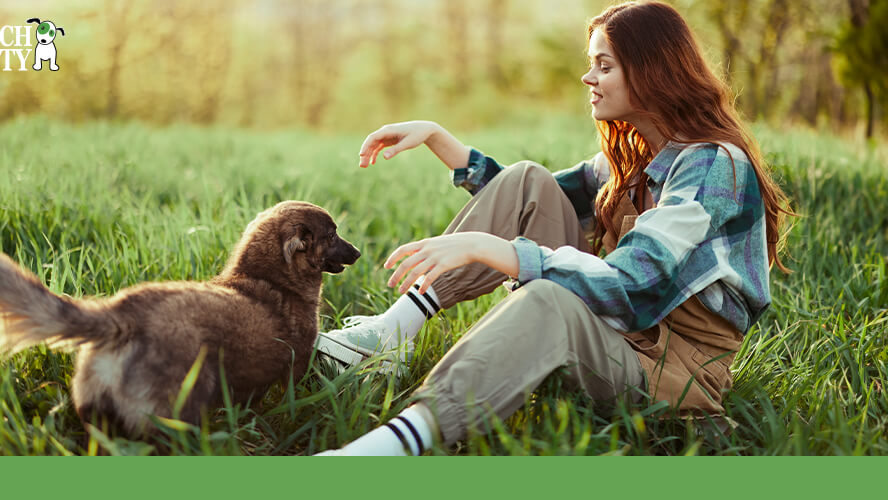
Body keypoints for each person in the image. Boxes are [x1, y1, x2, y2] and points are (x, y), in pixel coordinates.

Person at [315, 0, 791, 456]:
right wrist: (440, 139)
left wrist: (495, 250)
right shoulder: (631, 162)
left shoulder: (713, 166)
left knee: (548, 299)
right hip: (624, 335)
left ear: (652, 72)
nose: (589, 77)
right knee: (529, 178)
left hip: (672, 374)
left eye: (604, 66)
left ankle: (383, 449)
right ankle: (394, 334)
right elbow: (523, 199)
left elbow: (633, 284)